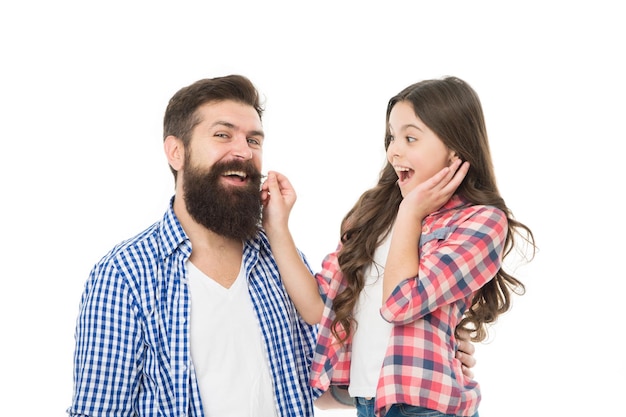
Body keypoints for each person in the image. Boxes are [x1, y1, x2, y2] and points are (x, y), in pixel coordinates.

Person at [261, 76, 536, 417]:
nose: (394, 150)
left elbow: (399, 304)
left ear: (454, 148)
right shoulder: (373, 216)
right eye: (392, 137)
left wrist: (411, 212)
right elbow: (317, 307)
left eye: (410, 137)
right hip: (368, 405)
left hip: (426, 409)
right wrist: (277, 226)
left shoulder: (480, 222)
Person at [67, 75, 324, 417]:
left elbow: (331, 380)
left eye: (253, 140)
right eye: (222, 135)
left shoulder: (283, 259)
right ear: (177, 152)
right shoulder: (123, 275)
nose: (244, 151)